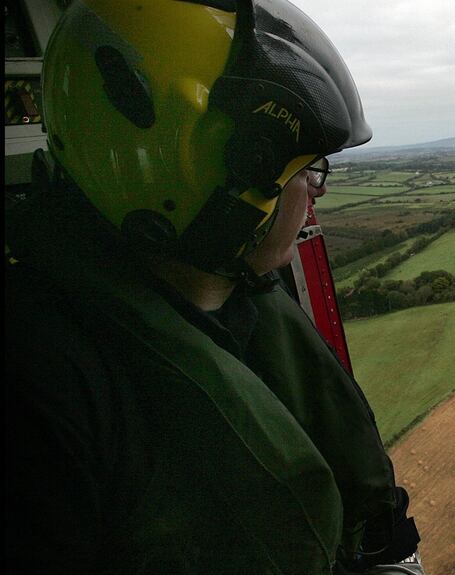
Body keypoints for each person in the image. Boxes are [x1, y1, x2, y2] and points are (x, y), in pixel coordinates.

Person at [5, 1, 422, 573]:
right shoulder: (43, 388)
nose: (315, 191)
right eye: (305, 168)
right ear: (202, 168)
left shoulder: (235, 298)